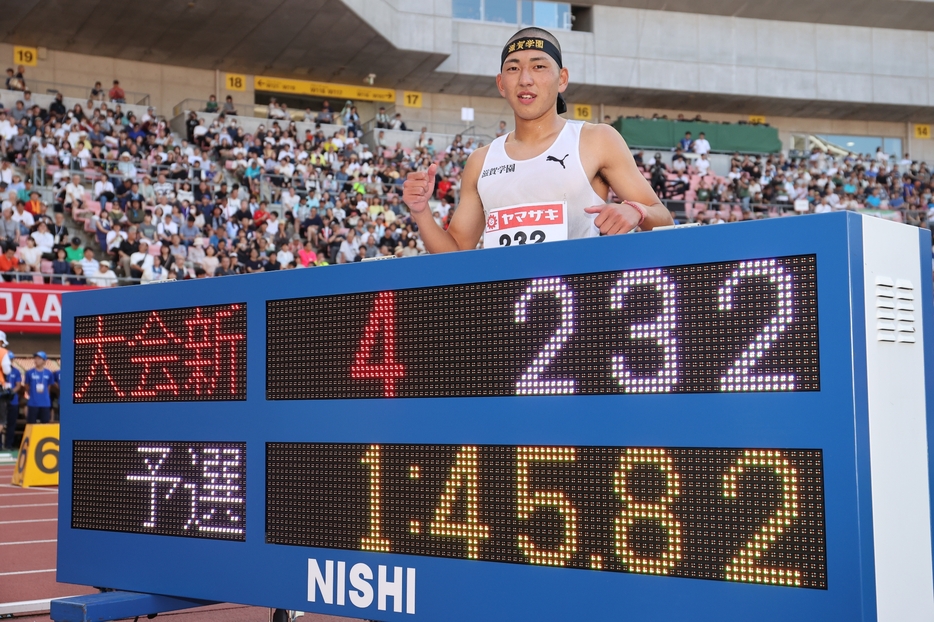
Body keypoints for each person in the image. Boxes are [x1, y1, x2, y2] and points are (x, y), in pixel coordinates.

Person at [403, 27, 671, 253]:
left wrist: (637, 211)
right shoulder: (481, 160)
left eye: (539, 66)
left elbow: (664, 220)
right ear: (500, 84)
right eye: (513, 68)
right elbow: (457, 253)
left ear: (562, 79)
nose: (525, 79)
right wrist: (421, 212)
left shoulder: (596, 139)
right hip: (504, 306)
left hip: (576, 304)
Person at [25, 351, 55, 424]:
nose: (36, 360)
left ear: (44, 361)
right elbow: (27, 386)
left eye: (39, 358)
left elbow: (49, 386)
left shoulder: (49, 373)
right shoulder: (29, 372)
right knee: (31, 424)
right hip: (33, 402)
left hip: (45, 403)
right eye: (35, 358)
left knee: (44, 424)